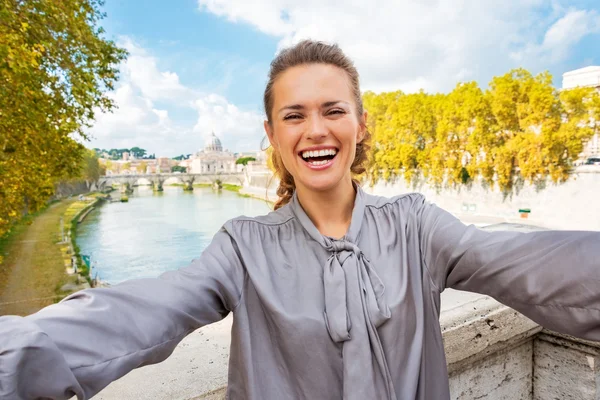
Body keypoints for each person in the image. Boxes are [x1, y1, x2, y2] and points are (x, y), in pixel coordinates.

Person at [1, 40, 599, 400]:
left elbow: (533, 266)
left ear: (360, 125)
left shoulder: (418, 225)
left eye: (333, 110)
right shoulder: (241, 247)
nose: (316, 129)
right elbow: (147, 309)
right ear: (272, 136)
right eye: (294, 115)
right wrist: (21, 352)